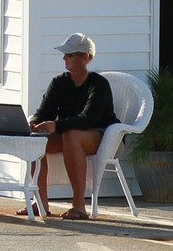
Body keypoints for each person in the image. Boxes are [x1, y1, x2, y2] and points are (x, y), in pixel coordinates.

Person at [32, 33, 118, 220]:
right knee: (34, 142)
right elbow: (44, 111)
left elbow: (88, 119)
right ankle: (40, 203)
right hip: (70, 134)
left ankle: (79, 206)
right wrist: (35, 123)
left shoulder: (98, 84)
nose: (64, 58)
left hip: (104, 135)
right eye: (64, 54)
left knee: (71, 135)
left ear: (84, 57)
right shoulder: (59, 82)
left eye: (69, 55)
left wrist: (56, 125)